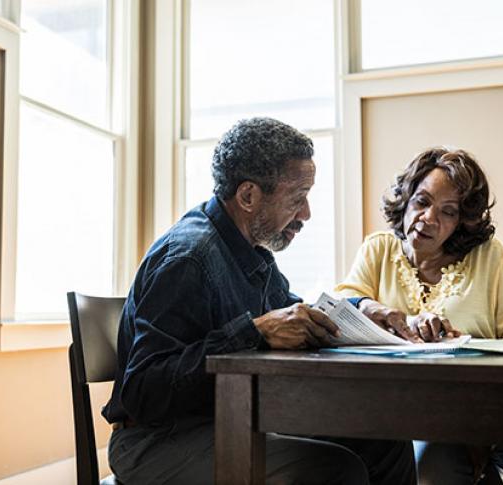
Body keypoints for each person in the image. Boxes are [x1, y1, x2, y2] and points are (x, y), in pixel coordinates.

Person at [102, 117, 417, 484]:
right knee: (335, 469)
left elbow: (297, 315)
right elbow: (143, 390)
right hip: (155, 441)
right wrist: (253, 333)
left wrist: (364, 311)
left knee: (385, 440)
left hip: (232, 419)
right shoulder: (187, 258)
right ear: (249, 196)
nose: (306, 214)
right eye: (297, 198)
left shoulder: (252, 251)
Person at [335, 147, 503, 485]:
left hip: (501, 411)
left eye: (447, 212)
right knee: (430, 471)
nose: (428, 218)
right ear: (406, 199)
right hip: (419, 418)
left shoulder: (489, 257)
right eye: (421, 202)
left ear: (462, 222)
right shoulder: (378, 249)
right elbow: (341, 300)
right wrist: (371, 306)